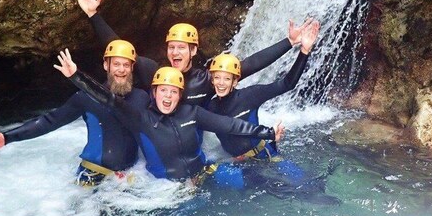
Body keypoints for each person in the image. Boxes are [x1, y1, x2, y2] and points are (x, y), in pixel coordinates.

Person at [54, 51, 285, 183]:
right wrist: (77, 77)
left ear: (179, 95)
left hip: (201, 177)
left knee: (247, 184)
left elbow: (230, 124)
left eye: (173, 91)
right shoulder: (141, 118)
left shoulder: (192, 113)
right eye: (163, 90)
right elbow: (108, 99)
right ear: (153, 93)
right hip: (163, 192)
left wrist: (267, 132)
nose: (168, 95)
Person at [72, 0, 312, 107]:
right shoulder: (153, 72)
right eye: (172, 47)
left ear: (193, 50)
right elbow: (119, 50)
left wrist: (289, 42)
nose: (175, 52)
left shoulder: (206, 80)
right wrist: (94, 16)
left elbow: (249, 65)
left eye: (181, 47)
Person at [0, 40, 148, 187]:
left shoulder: (142, 98)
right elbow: (49, 121)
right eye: (116, 64)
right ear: (106, 65)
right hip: (93, 174)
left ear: (132, 67)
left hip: (130, 174)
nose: (121, 70)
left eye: (126, 65)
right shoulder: (85, 98)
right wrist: (7, 137)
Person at [208, 19, 320, 164]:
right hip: (236, 163)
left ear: (235, 81)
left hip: (264, 155)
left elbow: (287, 84)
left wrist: (304, 51)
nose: (221, 83)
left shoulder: (250, 95)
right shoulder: (210, 107)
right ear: (212, 80)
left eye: (227, 79)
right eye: (217, 78)